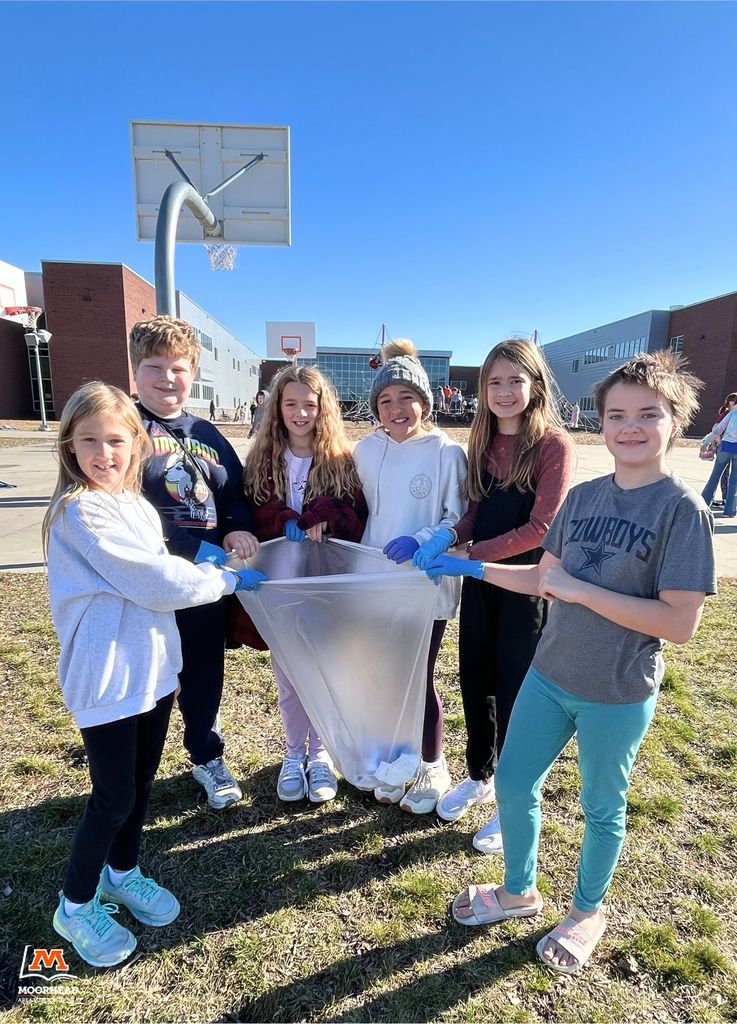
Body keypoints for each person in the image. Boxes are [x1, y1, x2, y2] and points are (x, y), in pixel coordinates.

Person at [426, 351, 715, 974]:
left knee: (602, 808)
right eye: (617, 415)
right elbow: (543, 581)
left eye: (648, 414)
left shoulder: (682, 511)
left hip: (616, 691)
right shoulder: (582, 498)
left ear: (677, 420)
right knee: (512, 783)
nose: (630, 427)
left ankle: (587, 912)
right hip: (548, 675)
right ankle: (519, 891)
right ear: (600, 422)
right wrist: (472, 566)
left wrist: (584, 593)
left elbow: (679, 624)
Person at [44, 382, 264, 968]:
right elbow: (152, 581)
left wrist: (210, 563)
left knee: (140, 783)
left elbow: (163, 568)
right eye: (89, 441)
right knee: (113, 795)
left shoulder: (137, 506)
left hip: (152, 671)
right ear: (69, 446)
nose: (104, 454)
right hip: (108, 677)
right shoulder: (80, 511)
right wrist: (225, 580)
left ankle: (121, 871)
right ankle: (75, 904)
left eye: (116, 441)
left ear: (136, 444)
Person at [415, 339, 573, 848]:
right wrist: (448, 536)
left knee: (515, 690)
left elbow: (540, 528)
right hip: (480, 583)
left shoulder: (552, 445)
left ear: (536, 385)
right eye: (495, 382)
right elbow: (473, 513)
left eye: (515, 381)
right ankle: (480, 775)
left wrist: (473, 555)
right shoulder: (481, 441)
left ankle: (515, 798)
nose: (504, 392)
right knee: (475, 677)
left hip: (524, 586)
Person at [129, 316, 259, 809]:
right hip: (150, 584)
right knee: (151, 681)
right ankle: (133, 773)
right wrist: (193, 548)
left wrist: (236, 527)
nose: (167, 378)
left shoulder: (208, 433)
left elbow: (234, 494)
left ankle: (207, 755)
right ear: (135, 370)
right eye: (154, 366)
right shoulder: (125, 428)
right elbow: (125, 510)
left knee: (204, 673)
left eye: (178, 368)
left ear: (193, 373)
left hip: (205, 586)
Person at [232, 365, 369, 803]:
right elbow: (253, 514)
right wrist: (282, 518)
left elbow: (356, 519)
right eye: (290, 404)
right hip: (280, 589)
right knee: (290, 677)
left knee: (324, 674)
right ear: (277, 408)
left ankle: (321, 754)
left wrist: (327, 517)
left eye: (309, 404)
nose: (300, 412)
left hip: (325, 586)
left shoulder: (341, 461)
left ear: (323, 409)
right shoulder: (262, 461)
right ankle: (294, 754)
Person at [353, 339, 468, 814]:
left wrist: (422, 539)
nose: (396, 409)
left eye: (406, 398)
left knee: (419, 675)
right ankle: (400, 757)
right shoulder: (365, 450)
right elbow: (355, 510)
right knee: (386, 674)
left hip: (424, 585)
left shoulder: (446, 452)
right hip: (376, 583)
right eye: (385, 400)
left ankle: (432, 762)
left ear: (426, 402)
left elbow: (456, 517)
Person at [701, 394, 737, 517]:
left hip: (726, 447)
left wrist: (706, 442)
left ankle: (704, 504)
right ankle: (730, 511)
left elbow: (718, 429)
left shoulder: (731, 414)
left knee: (715, 477)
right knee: (734, 481)